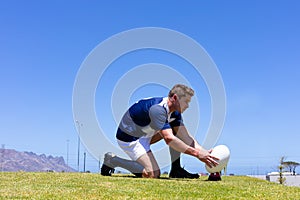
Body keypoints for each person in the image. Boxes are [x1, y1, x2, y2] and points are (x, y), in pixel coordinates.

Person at [101, 84, 219, 178]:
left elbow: (186, 137)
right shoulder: (158, 110)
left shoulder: (175, 113)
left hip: (144, 134)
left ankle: (176, 170)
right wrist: (197, 154)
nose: (188, 105)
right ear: (175, 98)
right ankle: (113, 160)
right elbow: (169, 139)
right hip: (129, 138)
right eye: (186, 102)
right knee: (152, 174)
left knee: (175, 131)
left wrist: (206, 154)